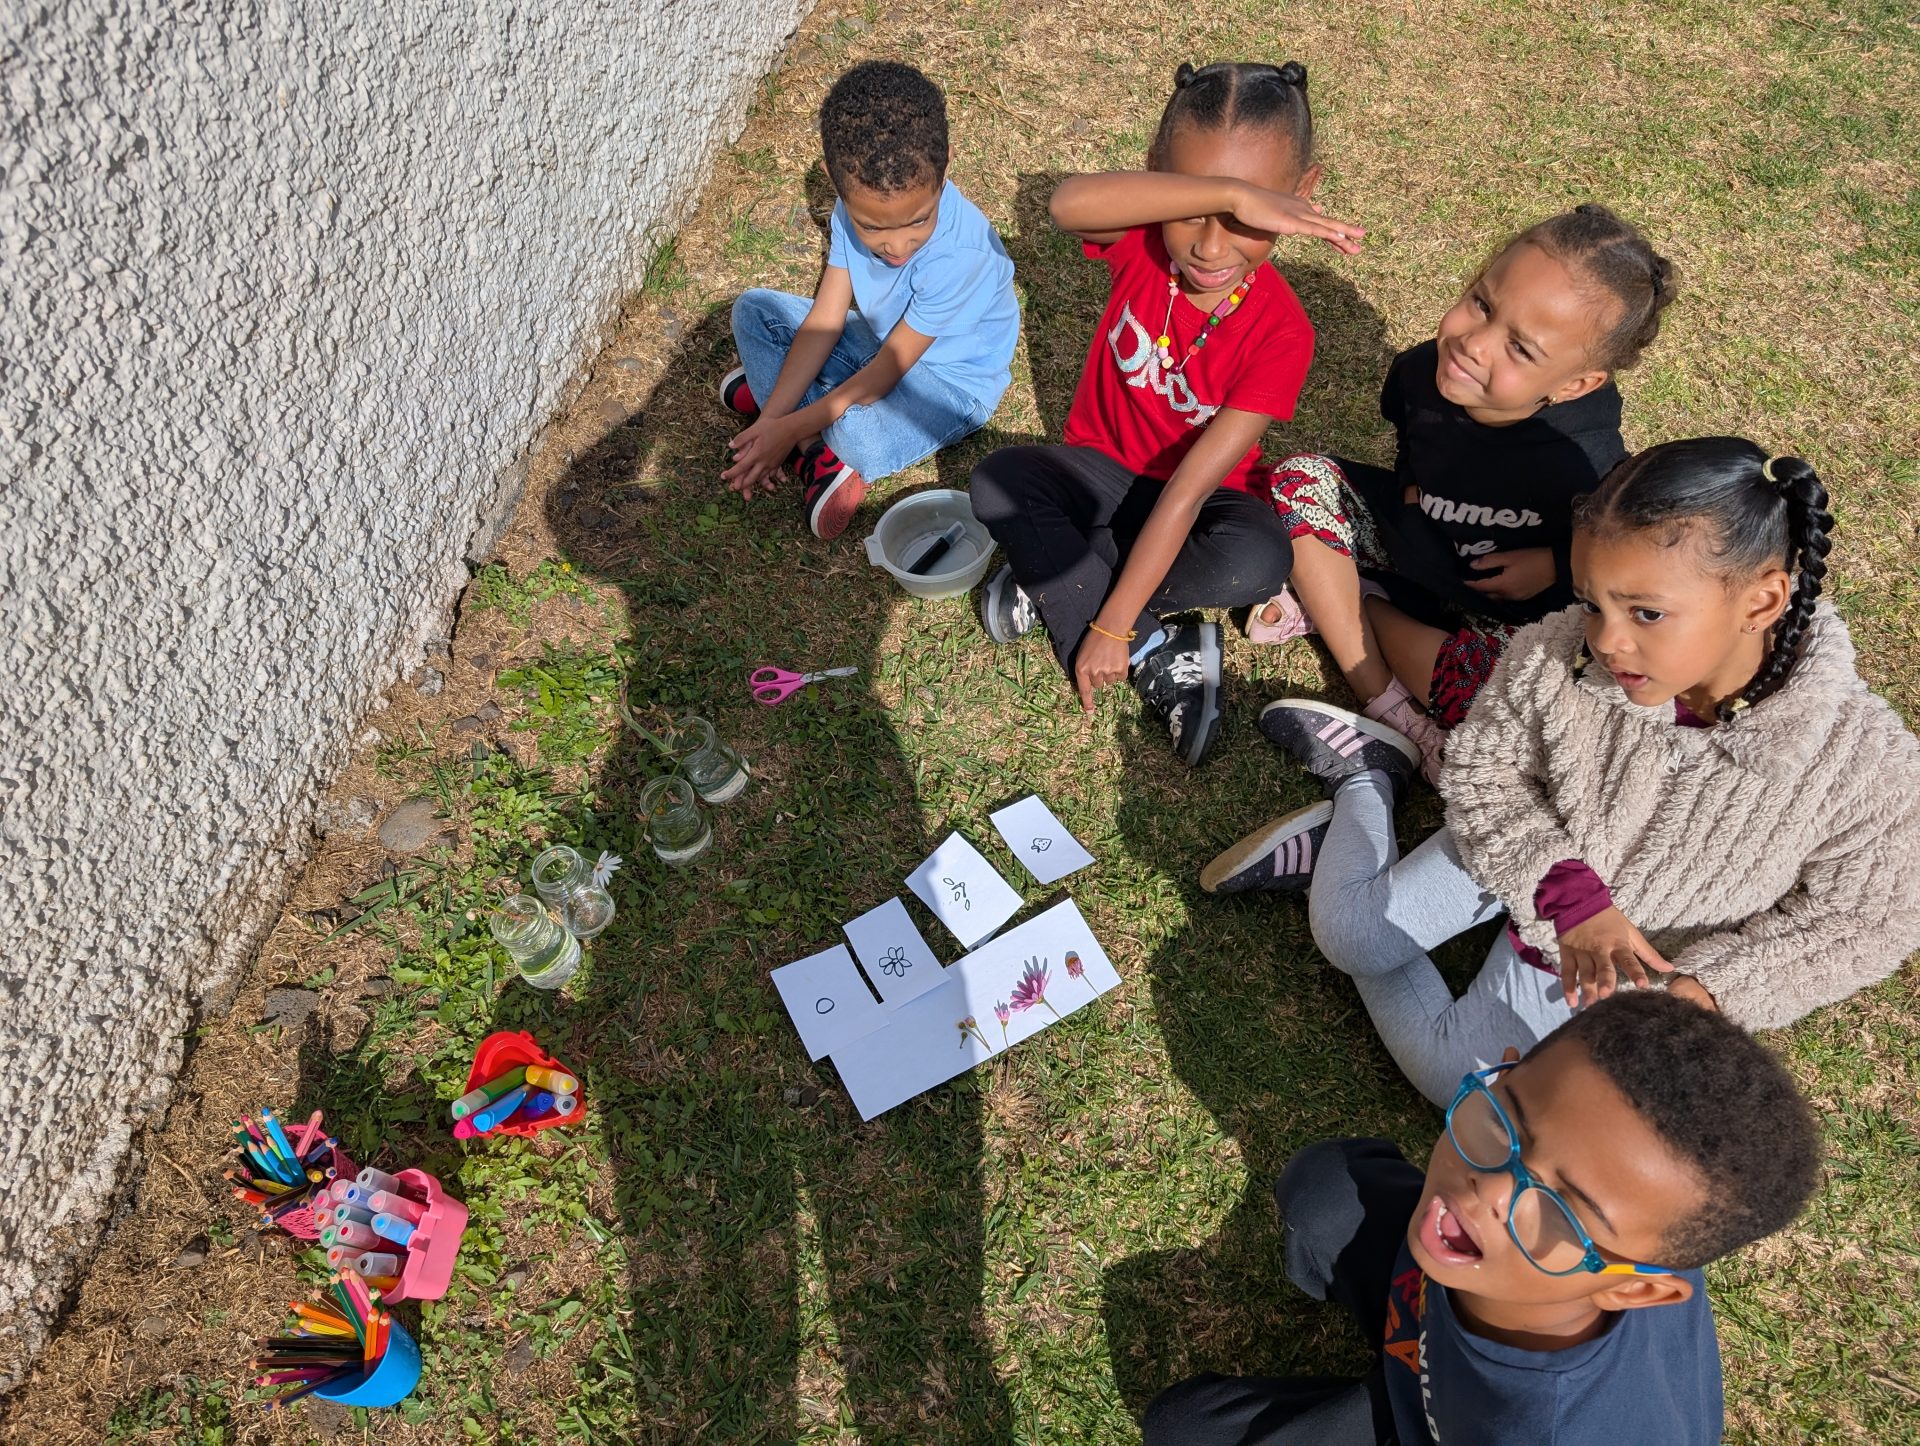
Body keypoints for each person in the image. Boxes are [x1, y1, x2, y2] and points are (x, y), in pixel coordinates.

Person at [1206, 437, 1920, 1106]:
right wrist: (1564, 890)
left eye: (1645, 612)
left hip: (1625, 971)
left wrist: (1711, 988)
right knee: (1350, 937)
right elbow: (1486, 766)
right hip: (1527, 855)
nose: (1608, 641)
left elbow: (1871, 920)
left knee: (1458, 1085)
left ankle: (1364, 818)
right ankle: (1366, 779)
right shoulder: (1558, 653)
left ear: (1762, 601)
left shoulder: (1866, 766)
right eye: (1591, 602)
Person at [1140, 991, 1823, 1446]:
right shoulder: (1590, 1227)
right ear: (1503, 1070)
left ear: (1635, 1288)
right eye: (1507, 1123)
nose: (1490, 1191)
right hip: (1437, 1326)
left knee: (1184, 1429)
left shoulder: (1559, 1430)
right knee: (1324, 1189)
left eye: (1562, 1208)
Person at [968, 61, 1363, 765]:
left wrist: (1111, 622)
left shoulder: (1283, 331)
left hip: (1201, 504)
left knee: (1258, 559)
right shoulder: (1143, 243)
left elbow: (1186, 492)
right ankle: (1161, 646)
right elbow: (1065, 205)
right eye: (1192, 206)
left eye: (1246, 215)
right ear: (1158, 179)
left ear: (1301, 195)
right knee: (998, 480)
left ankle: (1057, 575)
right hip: (1098, 475)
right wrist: (1229, 190)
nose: (1211, 245)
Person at [1247, 205, 1674, 781]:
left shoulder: (1587, 458)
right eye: (1482, 303)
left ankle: (1350, 605)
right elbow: (1412, 443)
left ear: (1575, 384)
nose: (1475, 343)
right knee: (1296, 478)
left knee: (1515, 709)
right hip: (1417, 548)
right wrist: (1410, 490)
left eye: (1521, 348)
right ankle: (1391, 707)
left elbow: (1621, 557)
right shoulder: (1421, 371)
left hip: (1503, 615)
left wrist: (1554, 563)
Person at [721, 60, 1019, 539]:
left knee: (859, 440)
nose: (897, 246)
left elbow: (886, 374)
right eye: (874, 228)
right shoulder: (849, 203)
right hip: (883, 343)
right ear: (836, 182)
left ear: (945, 173)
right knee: (754, 310)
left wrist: (783, 428)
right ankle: (797, 428)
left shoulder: (961, 254)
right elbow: (826, 319)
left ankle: (786, 408)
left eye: (918, 221)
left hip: (951, 387)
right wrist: (777, 422)